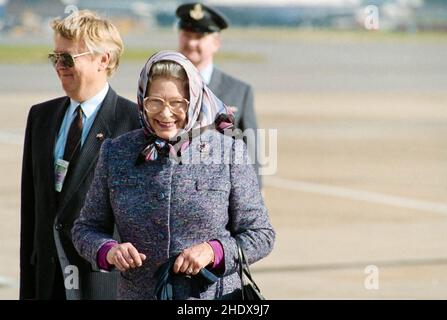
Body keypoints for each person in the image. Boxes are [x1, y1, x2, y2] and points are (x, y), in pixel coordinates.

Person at [71, 50, 275, 300]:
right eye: (154, 101)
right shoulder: (116, 152)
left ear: (196, 100)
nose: (165, 114)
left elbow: (260, 234)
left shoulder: (229, 152)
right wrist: (108, 250)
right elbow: (86, 228)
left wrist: (213, 251)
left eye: (178, 103)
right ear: (142, 100)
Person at [20, 10, 140, 300]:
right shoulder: (41, 117)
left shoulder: (133, 123)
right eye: (55, 57)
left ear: (103, 60)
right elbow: (31, 213)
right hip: (47, 280)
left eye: (68, 58)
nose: (59, 66)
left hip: (103, 283)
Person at [176, 2, 261, 185]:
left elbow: (251, 153)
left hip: (222, 196)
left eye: (199, 36)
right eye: (186, 35)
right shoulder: (161, 88)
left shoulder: (239, 91)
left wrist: (256, 192)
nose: (191, 43)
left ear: (216, 43)